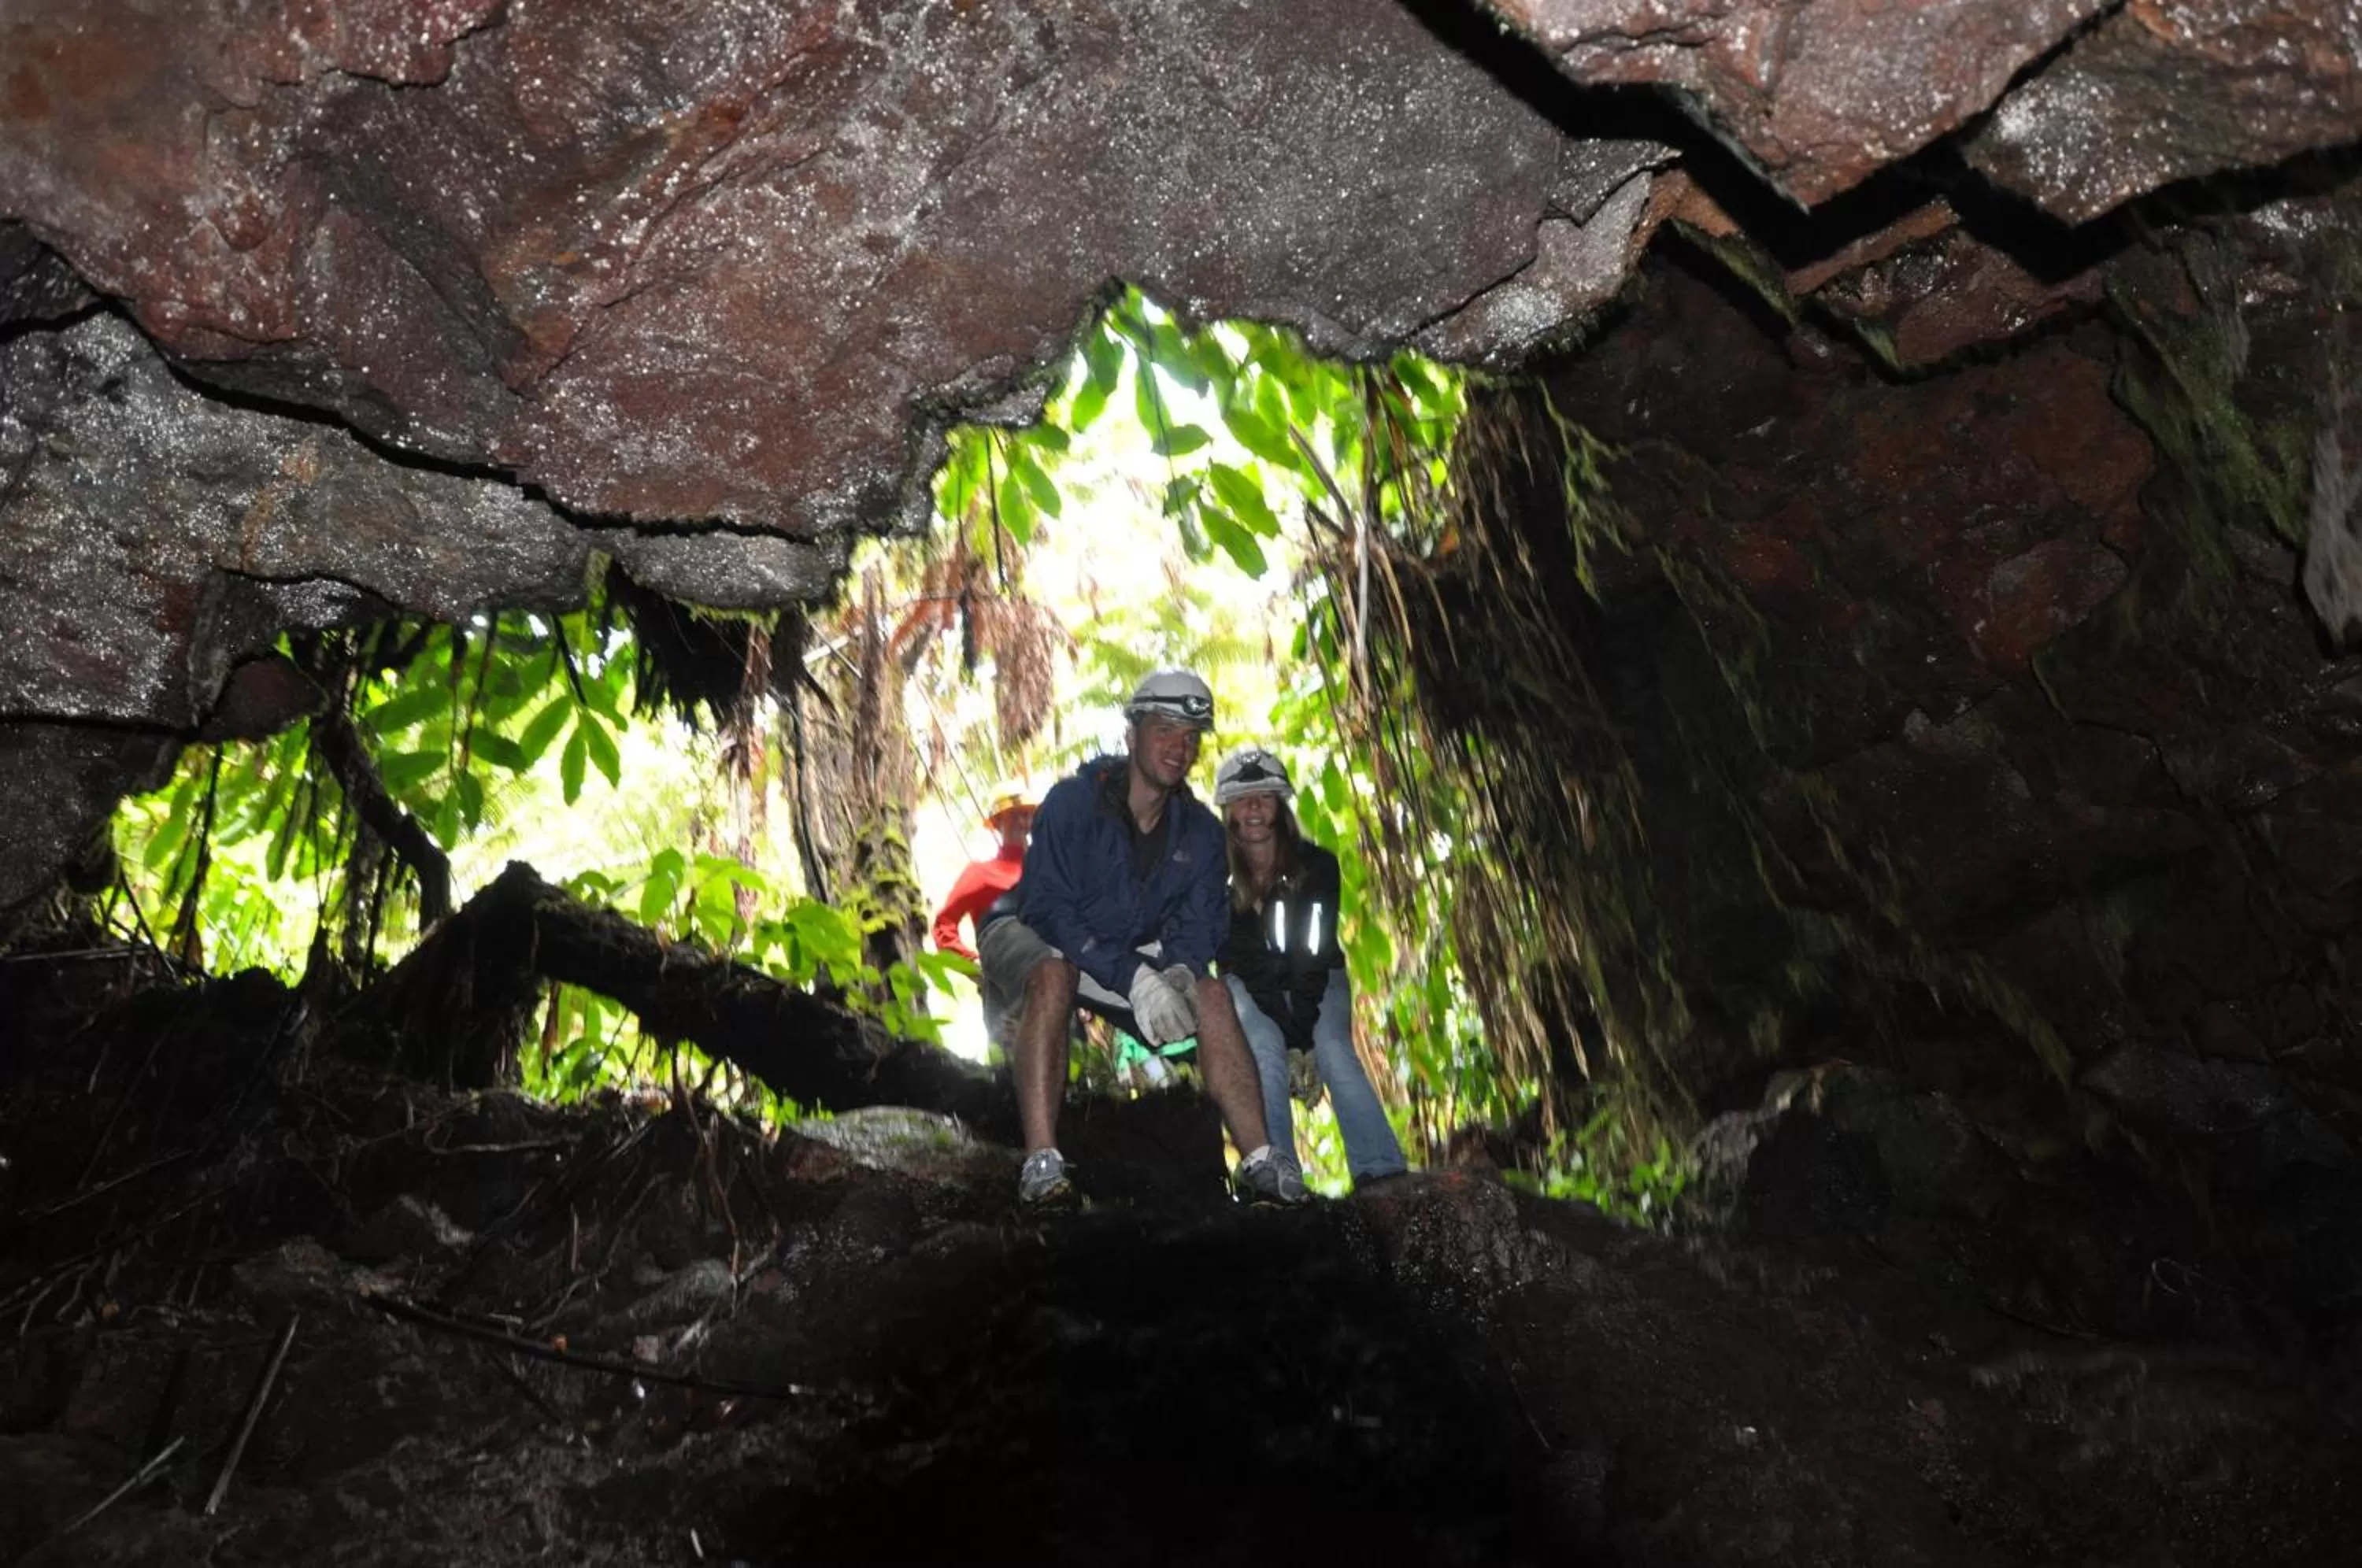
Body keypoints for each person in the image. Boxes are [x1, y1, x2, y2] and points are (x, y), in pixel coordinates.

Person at [976, 669, 1305, 1209]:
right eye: (1165, 730)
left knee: (1212, 994)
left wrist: (1177, 972)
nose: (1180, 747)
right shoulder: (1072, 803)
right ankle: (1042, 1162)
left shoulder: (1199, 831)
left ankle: (1260, 1161)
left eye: (1191, 737)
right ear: (1131, 734)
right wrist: (1134, 978)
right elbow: (1048, 910)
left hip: (1118, 952)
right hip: (1028, 929)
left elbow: (1198, 924)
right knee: (1054, 974)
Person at [1214, 745, 1408, 1193]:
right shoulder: (1217, 879)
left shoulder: (1317, 866)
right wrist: (1287, 1034)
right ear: (1230, 813)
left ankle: (1383, 1175)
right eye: (1244, 800)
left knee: (1334, 1050)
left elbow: (1312, 952)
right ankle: (1278, 1178)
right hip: (1250, 987)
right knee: (1263, 1051)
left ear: (1280, 806)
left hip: (1317, 981)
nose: (1255, 807)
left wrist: (1303, 1035)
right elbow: (1242, 960)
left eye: (1264, 796)